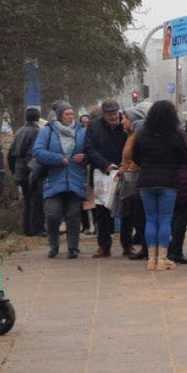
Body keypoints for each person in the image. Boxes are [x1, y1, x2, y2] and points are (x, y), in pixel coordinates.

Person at [132, 100, 187, 270]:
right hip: (169, 182)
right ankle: (162, 259)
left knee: (151, 219)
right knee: (165, 220)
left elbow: (135, 157)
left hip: (146, 182)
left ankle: (151, 259)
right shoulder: (175, 135)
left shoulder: (142, 134)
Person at [33, 101, 89, 259]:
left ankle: (73, 247)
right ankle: (54, 245)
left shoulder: (81, 132)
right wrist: (58, 159)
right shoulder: (48, 131)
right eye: (67, 114)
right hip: (54, 179)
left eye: (72, 114)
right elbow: (37, 151)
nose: (70, 117)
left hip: (75, 178)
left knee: (73, 215)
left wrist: (84, 157)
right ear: (59, 116)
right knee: (53, 214)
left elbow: (90, 151)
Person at [83, 99, 130, 258]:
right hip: (102, 173)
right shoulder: (94, 126)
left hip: (124, 171)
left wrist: (125, 165)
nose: (112, 117)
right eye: (109, 114)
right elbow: (89, 148)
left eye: (115, 113)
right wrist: (105, 164)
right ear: (104, 114)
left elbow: (132, 144)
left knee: (126, 210)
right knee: (102, 212)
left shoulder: (126, 124)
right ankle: (104, 245)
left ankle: (128, 245)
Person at [118, 102, 152, 259]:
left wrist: (131, 168)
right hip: (129, 178)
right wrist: (122, 166)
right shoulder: (130, 135)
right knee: (133, 214)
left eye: (125, 118)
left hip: (136, 180)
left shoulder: (138, 135)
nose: (122, 121)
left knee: (140, 215)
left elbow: (137, 156)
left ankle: (145, 247)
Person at [9, 108, 45, 236]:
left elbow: (10, 153)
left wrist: (14, 171)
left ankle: (27, 229)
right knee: (36, 200)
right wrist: (37, 171)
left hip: (19, 170)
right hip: (31, 170)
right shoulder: (36, 131)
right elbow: (35, 153)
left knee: (27, 200)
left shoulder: (19, 131)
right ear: (38, 118)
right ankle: (37, 229)